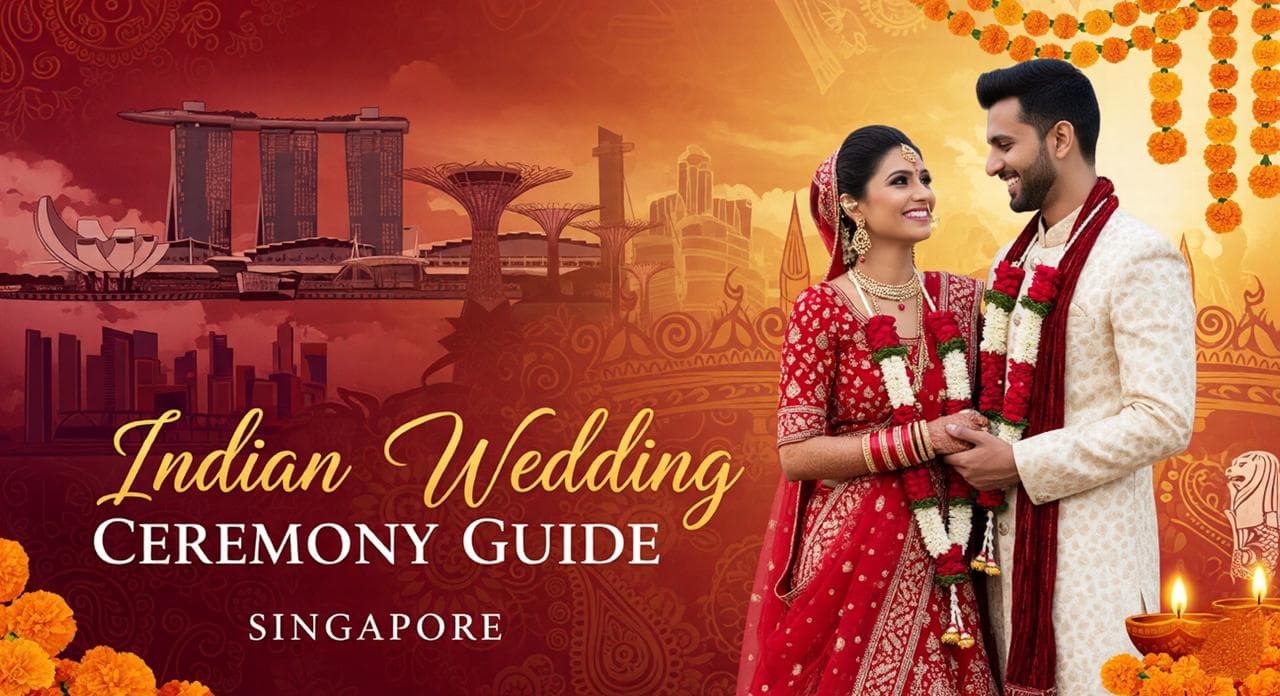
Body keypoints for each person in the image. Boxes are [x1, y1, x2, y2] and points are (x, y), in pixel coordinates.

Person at [943, 59, 1197, 695]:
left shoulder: (1138, 255)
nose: (992, 164)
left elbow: (1163, 417)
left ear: (1060, 139)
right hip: (1002, 559)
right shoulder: (1013, 258)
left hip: (1096, 564)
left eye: (1005, 145)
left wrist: (1022, 463)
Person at [738, 125, 998, 695]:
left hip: (951, 542)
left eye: (925, 179)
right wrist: (921, 440)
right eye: (901, 181)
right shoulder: (822, 309)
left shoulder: (963, 300)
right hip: (854, 557)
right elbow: (797, 454)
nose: (922, 193)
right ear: (853, 206)